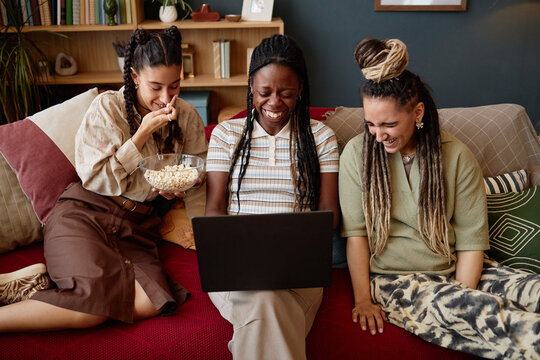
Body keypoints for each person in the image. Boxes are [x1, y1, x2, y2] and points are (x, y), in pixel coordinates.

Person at [339, 38, 540, 359]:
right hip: (394, 281)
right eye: (371, 124)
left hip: (458, 268)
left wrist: (461, 291)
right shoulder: (356, 154)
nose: (379, 134)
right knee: (504, 322)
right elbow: (357, 236)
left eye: (389, 123)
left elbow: (472, 242)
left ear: (417, 112)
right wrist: (363, 298)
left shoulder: (456, 155)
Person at [0, 26, 207, 332]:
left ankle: (41, 286)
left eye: (174, 86)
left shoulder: (187, 116)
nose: (166, 98)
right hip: (85, 214)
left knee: (150, 302)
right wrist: (141, 135)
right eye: (155, 87)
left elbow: (196, 178)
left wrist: (199, 224)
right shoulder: (107, 108)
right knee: (92, 308)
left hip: (136, 229)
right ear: (135, 76)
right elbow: (95, 178)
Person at [205, 34, 339, 360]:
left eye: (287, 93)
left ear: (301, 89)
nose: (275, 103)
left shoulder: (321, 137)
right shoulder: (226, 135)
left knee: (266, 307)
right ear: (251, 86)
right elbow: (214, 210)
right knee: (265, 300)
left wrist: (295, 241)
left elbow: (329, 215)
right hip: (237, 272)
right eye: (264, 92)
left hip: (298, 273)